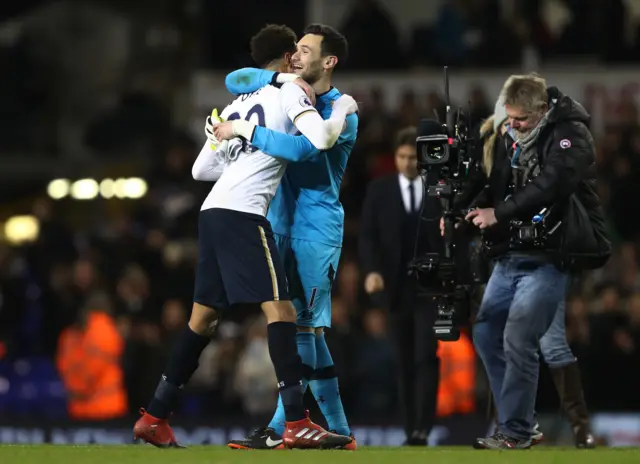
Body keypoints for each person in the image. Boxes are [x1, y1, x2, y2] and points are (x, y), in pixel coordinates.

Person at [132, 24, 357, 449]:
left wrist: (240, 143)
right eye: (298, 51)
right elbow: (320, 138)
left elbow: (201, 170)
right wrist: (342, 107)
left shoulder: (238, 101)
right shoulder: (290, 92)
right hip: (244, 213)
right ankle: (294, 423)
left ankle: (155, 415)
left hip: (212, 210)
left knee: (203, 319)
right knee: (282, 312)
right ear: (290, 57)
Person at [212, 24, 359, 451]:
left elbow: (301, 150)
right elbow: (234, 79)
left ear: (328, 61)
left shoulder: (339, 112)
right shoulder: (289, 89)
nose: (295, 55)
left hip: (316, 231)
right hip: (279, 224)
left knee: (302, 329)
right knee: (306, 332)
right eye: (294, 49)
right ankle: (340, 431)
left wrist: (245, 130)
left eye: (305, 50)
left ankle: (281, 428)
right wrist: (278, 78)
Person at [460, 73, 609, 449]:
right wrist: (472, 205)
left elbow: (554, 182)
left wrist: (500, 212)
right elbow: (494, 183)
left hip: (551, 256)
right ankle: (522, 422)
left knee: (519, 337)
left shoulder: (570, 135)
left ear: (542, 110)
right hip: (511, 255)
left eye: (521, 119)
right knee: (486, 331)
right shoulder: (508, 138)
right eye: (509, 118)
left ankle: (515, 432)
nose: (513, 125)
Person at [358, 127, 442, 445]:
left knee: (426, 355)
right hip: (395, 289)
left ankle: (424, 427)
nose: (407, 163)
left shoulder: (438, 189)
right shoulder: (380, 190)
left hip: (429, 287)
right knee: (403, 358)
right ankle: (411, 430)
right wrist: (372, 271)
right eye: (402, 156)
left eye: (412, 157)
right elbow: (368, 236)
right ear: (394, 157)